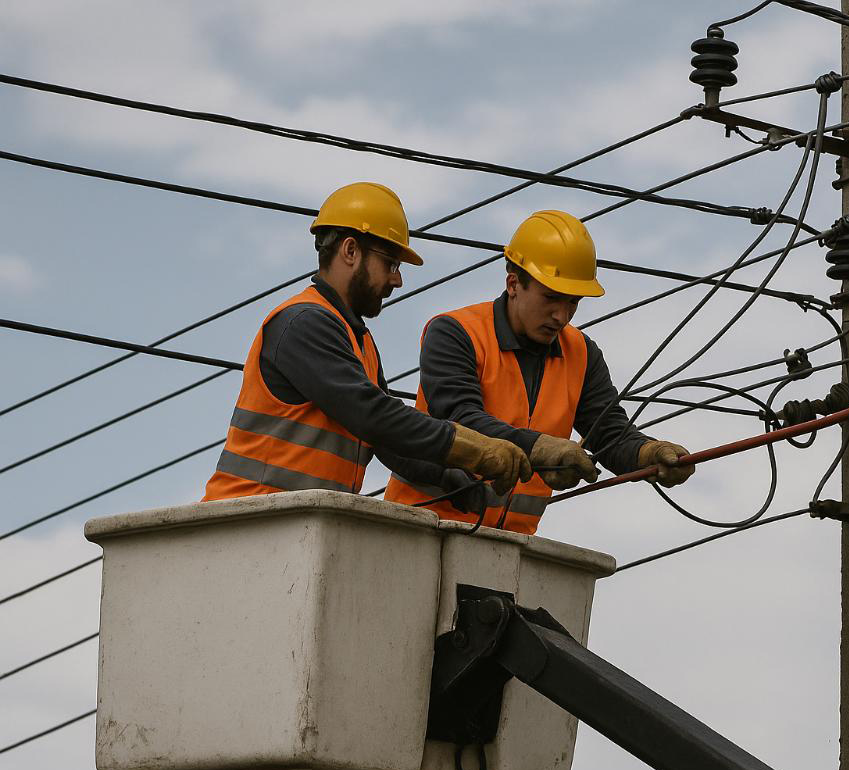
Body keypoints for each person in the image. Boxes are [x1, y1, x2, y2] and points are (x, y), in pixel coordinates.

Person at [202, 182, 531, 501]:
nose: (397, 279)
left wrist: (450, 479)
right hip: (247, 526)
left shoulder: (357, 340)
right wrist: (476, 449)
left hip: (291, 530)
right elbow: (376, 417)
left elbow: (385, 441)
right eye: (390, 263)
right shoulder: (304, 323)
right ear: (350, 251)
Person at [385, 209, 694, 534]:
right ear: (513, 283)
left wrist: (647, 453)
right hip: (419, 529)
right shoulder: (456, 333)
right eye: (551, 298)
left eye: (573, 302)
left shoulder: (582, 354)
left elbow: (609, 435)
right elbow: (461, 418)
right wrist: (539, 447)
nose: (562, 316)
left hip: (508, 545)